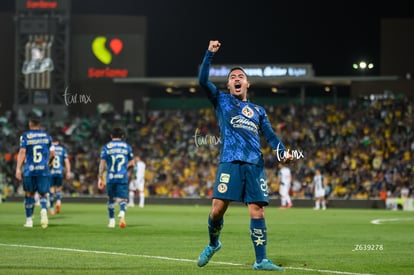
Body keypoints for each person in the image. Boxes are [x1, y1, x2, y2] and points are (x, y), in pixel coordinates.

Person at [197, 40, 293, 271]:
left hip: (254, 164)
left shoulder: (259, 111)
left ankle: (261, 260)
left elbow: (270, 136)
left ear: (247, 83)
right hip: (230, 161)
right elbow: (202, 80)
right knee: (218, 208)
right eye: (232, 77)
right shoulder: (221, 100)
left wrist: (282, 152)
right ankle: (213, 244)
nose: (236, 78)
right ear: (229, 85)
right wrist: (209, 53)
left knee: (257, 210)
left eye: (240, 76)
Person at [15, 115, 55, 228]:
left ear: (30, 124)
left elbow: (22, 152)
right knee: (43, 194)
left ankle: (29, 221)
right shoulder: (47, 137)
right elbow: (53, 154)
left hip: (30, 170)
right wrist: (49, 163)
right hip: (43, 169)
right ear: (40, 125)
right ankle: (43, 210)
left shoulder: (25, 136)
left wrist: (18, 168)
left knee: (29, 194)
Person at [98, 128, 134, 228]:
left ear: (111, 136)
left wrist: (100, 177)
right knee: (123, 198)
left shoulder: (107, 147)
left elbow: (102, 163)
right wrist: (125, 169)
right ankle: (122, 211)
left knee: (110, 199)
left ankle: (111, 221)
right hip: (122, 176)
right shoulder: (127, 147)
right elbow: (132, 163)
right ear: (122, 136)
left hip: (111, 177)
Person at [49, 137, 71, 215]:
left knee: (51, 189)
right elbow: (67, 161)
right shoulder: (62, 149)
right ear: (58, 141)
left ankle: (51, 209)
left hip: (51, 171)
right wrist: (68, 172)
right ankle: (58, 202)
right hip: (59, 171)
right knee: (58, 188)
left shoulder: (50, 149)